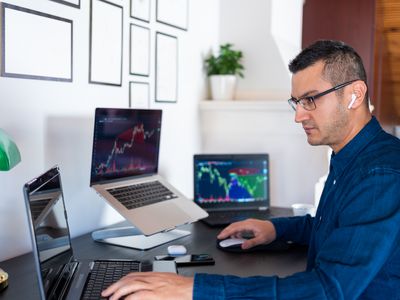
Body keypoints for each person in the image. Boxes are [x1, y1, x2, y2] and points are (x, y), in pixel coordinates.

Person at [102, 40, 400, 300]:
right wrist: (274, 228)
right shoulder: (351, 155)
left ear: (355, 94)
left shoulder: (379, 174)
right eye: (296, 102)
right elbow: (336, 227)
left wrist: (193, 290)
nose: (298, 116)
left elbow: (327, 291)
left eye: (310, 99)